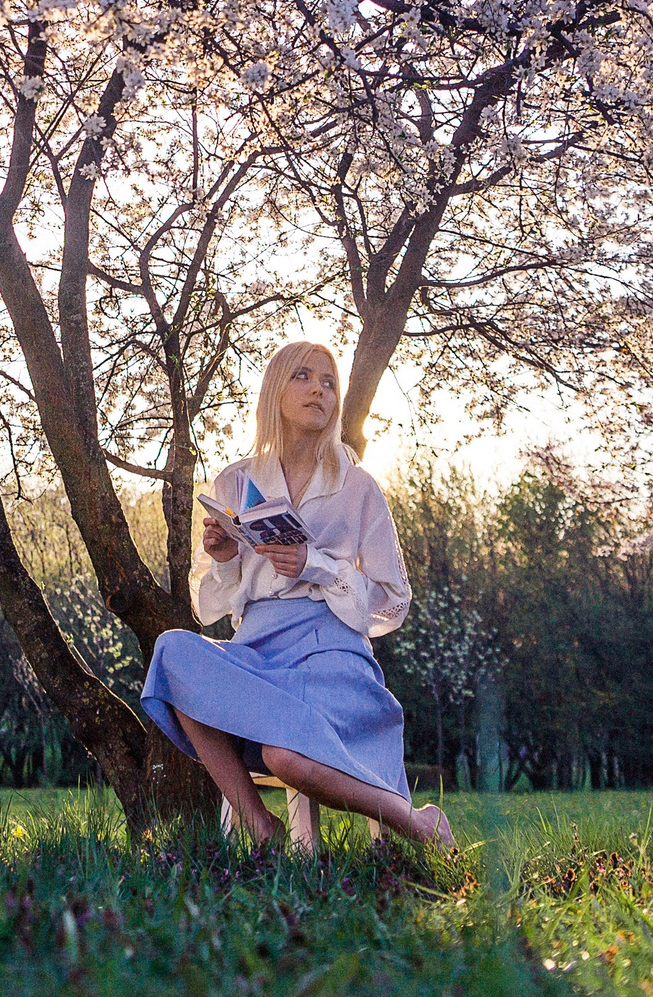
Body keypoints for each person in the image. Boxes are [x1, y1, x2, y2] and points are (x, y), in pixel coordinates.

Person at [140, 340, 454, 853]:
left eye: (329, 383)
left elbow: (394, 600)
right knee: (173, 653)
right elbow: (208, 607)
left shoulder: (359, 486)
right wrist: (222, 556)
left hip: (333, 654)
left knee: (286, 758)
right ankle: (259, 824)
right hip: (258, 649)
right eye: (303, 377)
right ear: (274, 392)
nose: (320, 391)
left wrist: (320, 567)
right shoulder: (236, 480)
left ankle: (415, 824)